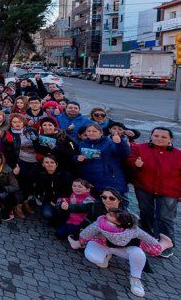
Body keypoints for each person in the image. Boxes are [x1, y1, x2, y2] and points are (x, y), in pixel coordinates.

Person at [71, 209, 173, 298]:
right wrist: (82, 241)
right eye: (108, 213)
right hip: (103, 245)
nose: (107, 215)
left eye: (111, 216)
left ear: (119, 222)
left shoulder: (132, 230)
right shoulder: (100, 223)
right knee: (92, 256)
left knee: (141, 252)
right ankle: (106, 256)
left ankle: (135, 279)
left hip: (124, 247)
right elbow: (85, 234)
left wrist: (156, 244)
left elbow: (148, 238)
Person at [127, 127, 181, 258]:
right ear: (151, 136)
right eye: (156, 136)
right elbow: (129, 159)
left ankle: (167, 243)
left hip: (169, 190)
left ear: (170, 139)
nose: (159, 139)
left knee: (165, 217)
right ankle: (147, 238)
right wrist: (135, 163)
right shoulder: (140, 148)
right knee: (145, 213)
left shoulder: (178, 154)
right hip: (144, 187)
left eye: (163, 137)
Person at [75, 124, 130, 195]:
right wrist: (77, 158)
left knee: (111, 201)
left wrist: (119, 143)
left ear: (101, 133)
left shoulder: (109, 142)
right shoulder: (82, 144)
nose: (91, 133)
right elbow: (75, 157)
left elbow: (124, 153)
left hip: (108, 178)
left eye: (94, 131)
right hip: (88, 179)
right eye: (88, 131)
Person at [32, 155, 72, 224]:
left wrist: (58, 201)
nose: (49, 164)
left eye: (52, 162)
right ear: (43, 164)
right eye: (46, 162)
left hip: (63, 201)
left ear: (56, 164)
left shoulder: (65, 175)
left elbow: (69, 191)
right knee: (47, 214)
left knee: (62, 214)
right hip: (49, 201)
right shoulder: (41, 175)